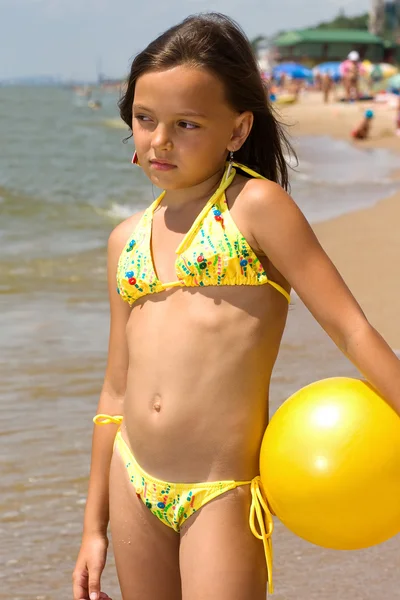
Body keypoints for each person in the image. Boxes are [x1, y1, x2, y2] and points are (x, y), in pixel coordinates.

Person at [72, 13, 400, 600]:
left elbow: (350, 328)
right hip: (132, 478)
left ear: (237, 128)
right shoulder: (125, 239)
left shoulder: (255, 208)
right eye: (145, 120)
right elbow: (115, 392)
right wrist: (93, 527)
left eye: (186, 123)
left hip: (221, 490)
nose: (159, 140)